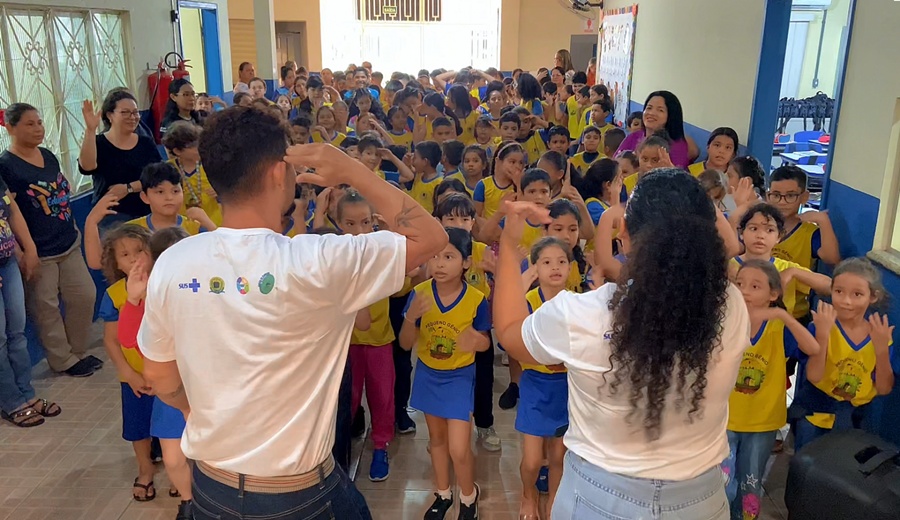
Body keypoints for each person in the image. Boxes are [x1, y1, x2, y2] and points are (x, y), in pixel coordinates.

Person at [137, 107, 447, 519]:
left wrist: (192, 411)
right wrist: (353, 171)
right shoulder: (319, 260)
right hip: (299, 496)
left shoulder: (174, 261)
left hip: (212, 488)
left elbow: (159, 375)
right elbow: (431, 237)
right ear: (278, 173)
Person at [494, 169, 751, 519]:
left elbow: (510, 332)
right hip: (700, 499)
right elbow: (730, 246)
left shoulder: (583, 315)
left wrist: (510, 249)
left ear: (625, 235)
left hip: (600, 498)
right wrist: (686, 192)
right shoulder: (731, 306)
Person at [0, 103, 98, 377]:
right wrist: (22, 251)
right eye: (30, 124)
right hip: (39, 251)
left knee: (84, 296)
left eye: (40, 122)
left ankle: (77, 352)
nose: (38, 128)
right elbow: (8, 212)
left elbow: (62, 189)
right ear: (11, 128)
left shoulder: (47, 155)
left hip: (68, 241)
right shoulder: (6, 166)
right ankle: (62, 360)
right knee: (46, 308)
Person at [399, 227, 491, 520]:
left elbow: (486, 342)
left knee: (459, 448)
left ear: (466, 262)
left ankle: (468, 495)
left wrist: (476, 341)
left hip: (459, 377)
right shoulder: (419, 294)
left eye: (448, 256)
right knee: (436, 441)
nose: (439, 264)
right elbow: (404, 344)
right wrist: (411, 319)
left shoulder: (476, 300)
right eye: (434, 256)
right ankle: (443, 494)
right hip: (428, 374)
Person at [727, 260, 820, 520]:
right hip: (724, 417)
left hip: (762, 420)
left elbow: (812, 349)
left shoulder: (779, 328)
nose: (745, 291)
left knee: (750, 481)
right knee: (723, 480)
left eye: (755, 286)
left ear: (773, 294)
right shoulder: (725, 322)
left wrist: (782, 315)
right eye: (740, 284)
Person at [791, 258, 895, 451]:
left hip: (854, 421)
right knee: (805, 470)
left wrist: (881, 350)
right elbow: (813, 376)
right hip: (815, 414)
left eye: (857, 294)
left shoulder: (879, 336)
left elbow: (884, 388)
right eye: (839, 292)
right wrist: (822, 336)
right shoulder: (821, 326)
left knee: (838, 474)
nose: (846, 301)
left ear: (873, 297)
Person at [0, 114, 59, 423]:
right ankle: (11, 401)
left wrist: (28, 248)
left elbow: (12, 211)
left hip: (7, 260)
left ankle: (26, 392)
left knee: (17, 333)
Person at [517, 237, 573, 519]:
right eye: (547, 262)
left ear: (570, 268)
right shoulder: (526, 301)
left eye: (561, 262)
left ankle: (553, 499)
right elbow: (515, 346)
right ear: (534, 268)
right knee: (531, 460)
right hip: (535, 385)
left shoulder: (576, 302)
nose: (555, 268)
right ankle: (528, 494)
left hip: (566, 387)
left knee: (558, 456)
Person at [79, 90, 159, 227]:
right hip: (111, 216)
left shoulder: (145, 143)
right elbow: (87, 167)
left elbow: (158, 177)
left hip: (145, 212)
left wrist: (128, 188)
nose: (132, 117)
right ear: (110, 115)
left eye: (135, 112)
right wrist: (90, 131)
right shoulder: (98, 142)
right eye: (125, 112)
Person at [768, 165, 841, 269]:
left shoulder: (810, 233)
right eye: (776, 195)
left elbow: (832, 259)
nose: (782, 202)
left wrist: (823, 220)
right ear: (768, 196)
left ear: (804, 197)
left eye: (790, 196)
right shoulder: (759, 224)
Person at [618, 91, 699, 168]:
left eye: (660, 110)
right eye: (649, 108)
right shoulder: (634, 136)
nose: (651, 113)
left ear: (671, 115)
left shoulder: (677, 146)